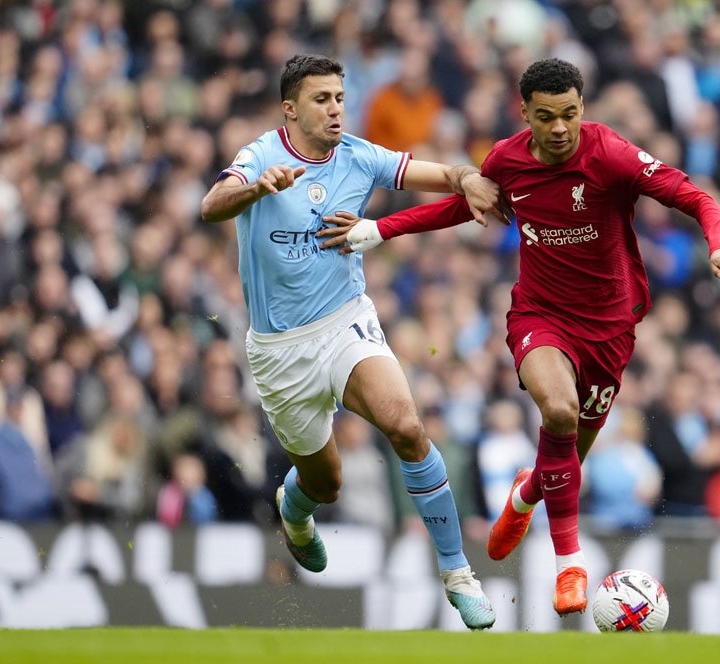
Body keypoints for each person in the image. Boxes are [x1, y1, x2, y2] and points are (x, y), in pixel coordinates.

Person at [319, 58, 720, 615]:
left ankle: (527, 492)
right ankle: (568, 565)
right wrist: (380, 229)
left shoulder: (611, 154)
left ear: (581, 109)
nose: (559, 128)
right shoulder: (507, 160)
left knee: (565, 458)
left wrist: (718, 242)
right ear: (525, 112)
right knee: (560, 411)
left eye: (569, 114)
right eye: (546, 116)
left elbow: (695, 195)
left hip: (610, 329)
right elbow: (465, 204)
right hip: (540, 316)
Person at [200, 54, 503, 630]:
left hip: (345, 323)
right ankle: (295, 511)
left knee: (407, 426)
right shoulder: (262, 155)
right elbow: (212, 205)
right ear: (290, 109)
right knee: (326, 483)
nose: (336, 108)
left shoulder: (360, 157)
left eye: (340, 97)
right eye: (322, 99)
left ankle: (458, 573)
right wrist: (255, 189)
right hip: (280, 350)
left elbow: (435, 174)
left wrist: (467, 176)